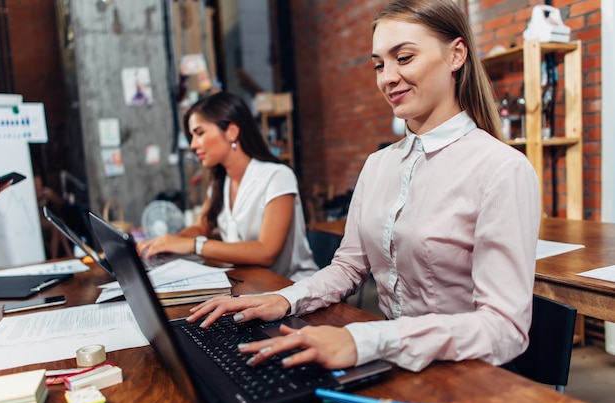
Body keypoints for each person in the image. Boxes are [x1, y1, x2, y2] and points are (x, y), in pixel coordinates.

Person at [187, 0, 540, 373]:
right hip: (393, 362)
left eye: (403, 58)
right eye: (379, 64)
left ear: (456, 55)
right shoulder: (378, 165)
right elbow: (349, 267)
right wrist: (284, 299)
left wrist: (367, 339)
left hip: (469, 374)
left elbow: (505, 329)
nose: (386, 77)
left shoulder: (502, 169)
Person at [137, 91, 318, 281]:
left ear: (232, 132)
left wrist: (192, 245)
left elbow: (266, 252)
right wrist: (165, 245)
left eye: (199, 133)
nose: (193, 144)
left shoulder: (277, 176)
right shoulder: (219, 184)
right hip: (250, 287)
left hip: (293, 288)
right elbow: (201, 227)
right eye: (191, 136)